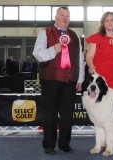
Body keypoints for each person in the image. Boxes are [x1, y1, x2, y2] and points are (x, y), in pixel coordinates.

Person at [32, 6, 84, 154]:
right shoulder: (45, 33)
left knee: (67, 115)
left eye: (68, 16)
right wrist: (53, 50)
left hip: (70, 80)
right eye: (62, 15)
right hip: (50, 79)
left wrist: (80, 78)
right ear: (56, 17)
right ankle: (48, 144)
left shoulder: (74, 36)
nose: (65, 18)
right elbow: (37, 54)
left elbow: (80, 58)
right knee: (50, 114)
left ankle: (65, 144)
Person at [86, 11, 113, 89]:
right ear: (103, 24)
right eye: (107, 20)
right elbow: (89, 56)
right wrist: (91, 65)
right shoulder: (95, 38)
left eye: (112, 19)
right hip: (98, 78)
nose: (109, 22)